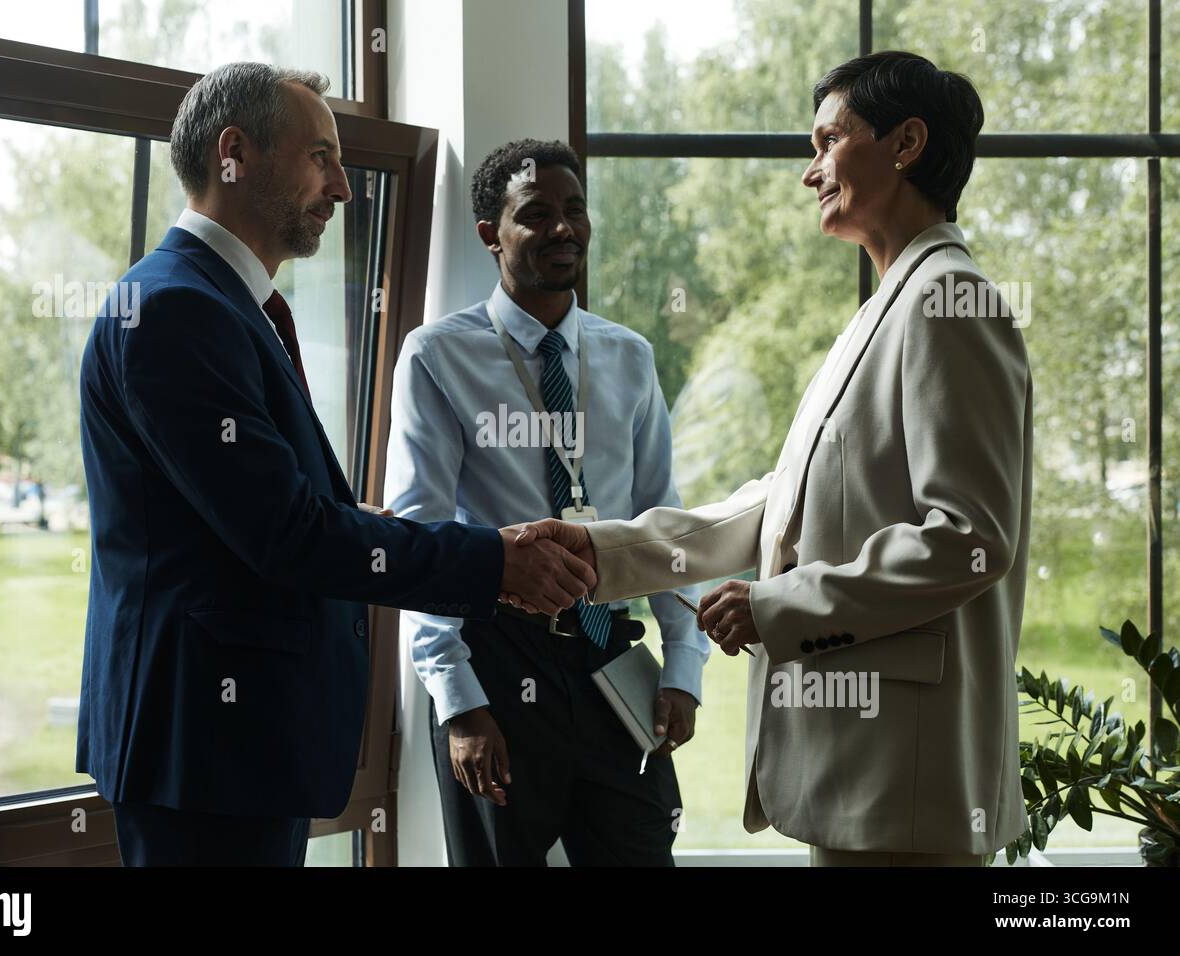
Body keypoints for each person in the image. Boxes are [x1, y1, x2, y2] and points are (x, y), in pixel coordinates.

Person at [512, 51, 1032, 867]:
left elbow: (969, 537)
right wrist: (603, 550)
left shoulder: (946, 303)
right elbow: (781, 503)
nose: (810, 171)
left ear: (906, 143)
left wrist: (780, 607)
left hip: (907, 784)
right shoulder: (885, 311)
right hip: (869, 777)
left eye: (828, 142)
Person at [77, 63, 594, 866]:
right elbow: (284, 534)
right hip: (207, 752)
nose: (345, 189)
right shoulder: (178, 309)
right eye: (322, 156)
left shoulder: (218, 306)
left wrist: (363, 529)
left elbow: (263, 516)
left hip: (235, 748)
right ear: (234, 154)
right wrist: (494, 560)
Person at [384, 139, 709, 866]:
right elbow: (421, 537)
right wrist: (460, 702)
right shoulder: (437, 356)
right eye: (536, 215)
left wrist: (683, 665)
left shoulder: (629, 355)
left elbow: (665, 518)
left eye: (574, 210)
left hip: (610, 657)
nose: (564, 228)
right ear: (489, 234)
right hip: (495, 662)